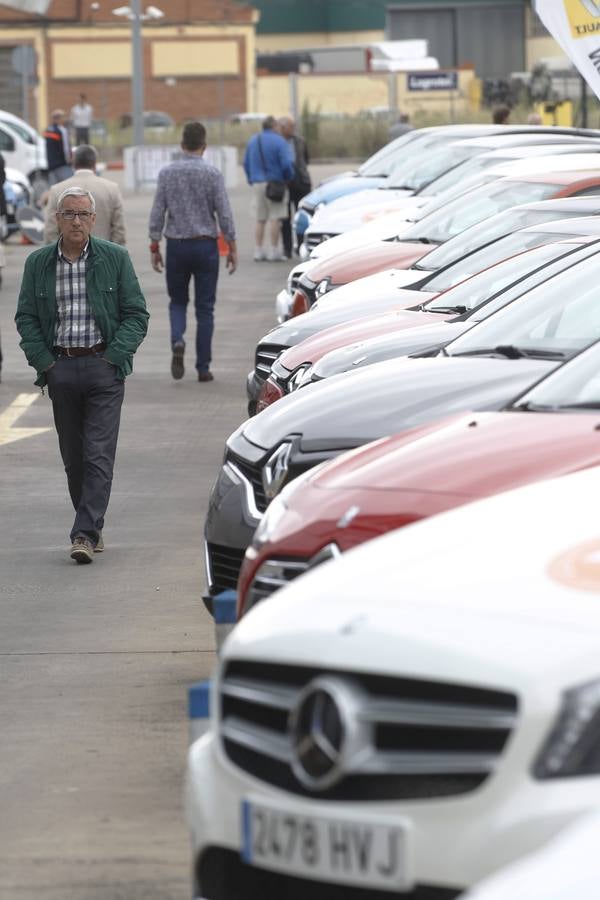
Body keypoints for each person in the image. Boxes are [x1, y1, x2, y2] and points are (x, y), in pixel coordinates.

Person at [15, 186, 149, 565]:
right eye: (69, 214)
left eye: (83, 215)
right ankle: (91, 520)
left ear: (94, 219)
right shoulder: (38, 263)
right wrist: (45, 362)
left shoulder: (115, 258)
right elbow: (25, 317)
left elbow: (137, 314)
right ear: (57, 219)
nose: (76, 221)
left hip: (103, 368)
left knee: (98, 454)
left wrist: (114, 358)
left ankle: (84, 534)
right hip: (60, 368)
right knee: (74, 458)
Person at [148, 121, 237, 383]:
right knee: (205, 308)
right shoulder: (212, 174)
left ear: (182, 145)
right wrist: (231, 244)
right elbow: (224, 212)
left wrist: (154, 244)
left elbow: (157, 212)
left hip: (177, 245)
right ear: (204, 146)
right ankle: (203, 367)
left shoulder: (167, 174)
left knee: (177, 301)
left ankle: (177, 339)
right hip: (205, 245)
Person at [43, 144, 126, 245]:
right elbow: (119, 230)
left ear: (73, 163)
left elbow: (51, 232)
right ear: (95, 164)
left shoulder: (57, 190)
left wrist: (58, 257)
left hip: (67, 257)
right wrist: (113, 256)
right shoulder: (112, 189)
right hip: (103, 257)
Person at [243, 115, 294, 261]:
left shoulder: (253, 140)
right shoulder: (280, 141)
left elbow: (246, 163)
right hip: (276, 183)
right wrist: (288, 178)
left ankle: (258, 250)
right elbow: (286, 164)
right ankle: (274, 250)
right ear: (274, 126)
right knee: (275, 218)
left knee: (260, 219)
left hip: (258, 183)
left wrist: (251, 179)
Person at [278, 115, 311, 259]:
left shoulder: (300, 141)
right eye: (291, 126)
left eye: (294, 126)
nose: (293, 129)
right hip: (284, 184)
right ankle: (287, 248)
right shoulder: (277, 143)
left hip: (300, 182)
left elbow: (306, 159)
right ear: (282, 127)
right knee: (285, 218)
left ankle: (300, 246)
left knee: (301, 217)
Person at [44, 109, 73, 186]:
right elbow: (65, 148)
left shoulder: (48, 130)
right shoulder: (62, 130)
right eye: (63, 117)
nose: (64, 119)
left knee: (53, 189)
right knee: (67, 187)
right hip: (62, 165)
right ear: (59, 119)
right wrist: (69, 160)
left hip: (51, 165)